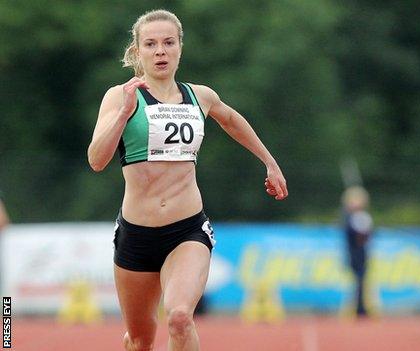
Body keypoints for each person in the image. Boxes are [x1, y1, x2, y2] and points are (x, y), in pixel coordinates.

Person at [87, 9, 288, 351]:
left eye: (168, 42)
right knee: (139, 340)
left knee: (180, 317)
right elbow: (96, 160)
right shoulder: (119, 96)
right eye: (151, 44)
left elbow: (231, 120)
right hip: (136, 234)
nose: (161, 51)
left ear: (180, 47)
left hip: (187, 230)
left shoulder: (200, 96)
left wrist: (270, 162)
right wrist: (123, 113)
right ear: (138, 52)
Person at [342, 186, 373, 317]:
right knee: (358, 281)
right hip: (353, 253)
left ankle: (360, 307)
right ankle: (359, 308)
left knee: (361, 282)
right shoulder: (349, 217)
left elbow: (367, 235)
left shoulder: (362, 217)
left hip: (361, 253)